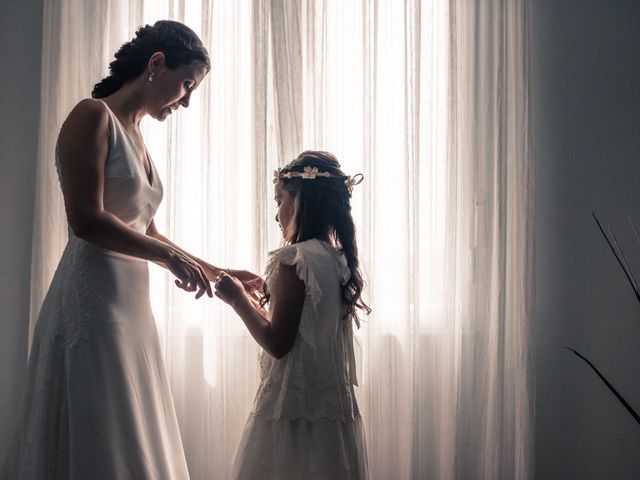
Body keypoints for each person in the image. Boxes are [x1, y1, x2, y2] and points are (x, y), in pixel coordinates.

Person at [2, 20, 258, 479]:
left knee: (132, 421)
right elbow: (86, 220)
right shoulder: (92, 115)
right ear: (156, 64)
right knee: (97, 425)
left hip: (130, 304)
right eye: (186, 85)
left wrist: (221, 273)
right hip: (93, 300)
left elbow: (148, 230)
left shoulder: (137, 135)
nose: (185, 101)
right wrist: (168, 259)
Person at [213, 151, 371, 479]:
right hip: (329, 417)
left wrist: (237, 299)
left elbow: (278, 342)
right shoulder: (337, 260)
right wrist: (258, 301)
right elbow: (302, 329)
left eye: (279, 201)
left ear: (298, 202)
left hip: (290, 413)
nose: (276, 215)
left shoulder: (293, 259)